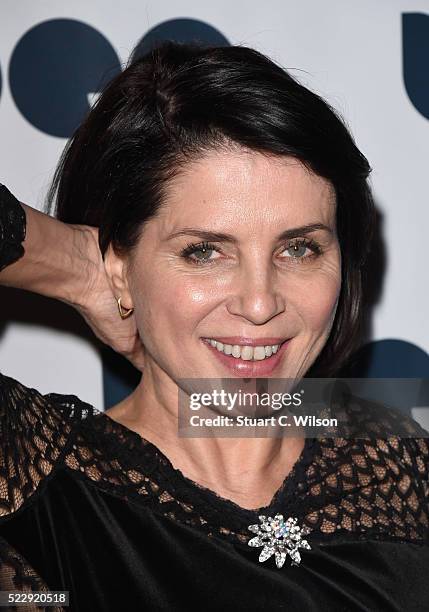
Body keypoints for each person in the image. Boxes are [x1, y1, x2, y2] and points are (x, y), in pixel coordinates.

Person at [0, 41, 428, 612]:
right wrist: (77, 265)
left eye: (299, 248)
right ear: (122, 263)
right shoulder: (39, 484)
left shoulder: (402, 469)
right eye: (204, 251)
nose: (259, 303)